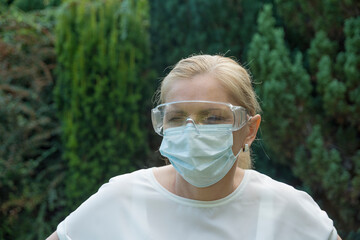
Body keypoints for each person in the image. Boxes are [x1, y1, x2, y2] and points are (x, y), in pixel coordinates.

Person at [47, 54, 342, 240]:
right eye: (176, 117)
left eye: (212, 117)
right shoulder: (121, 199)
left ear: (249, 130)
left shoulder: (288, 210)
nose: (192, 130)